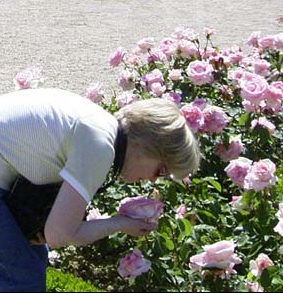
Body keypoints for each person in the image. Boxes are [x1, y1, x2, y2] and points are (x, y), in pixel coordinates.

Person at [0, 87, 201, 292]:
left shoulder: (101, 126)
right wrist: (120, 223)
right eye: (162, 170)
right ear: (148, 145)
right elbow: (59, 235)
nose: (152, 180)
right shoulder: (101, 146)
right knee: (23, 279)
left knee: (29, 258)